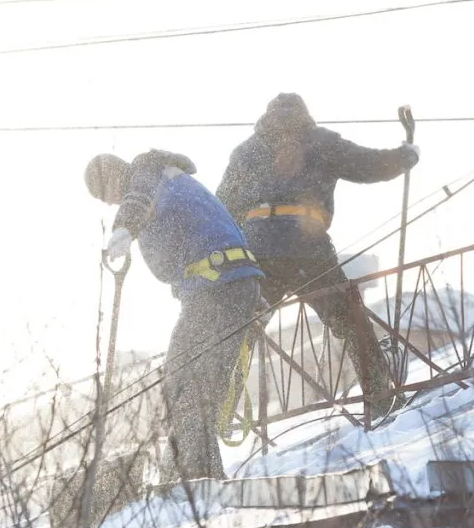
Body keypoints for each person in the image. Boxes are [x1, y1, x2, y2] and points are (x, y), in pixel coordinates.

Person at [215, 92, 420, 419]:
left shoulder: (245, 152)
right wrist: (404, 156)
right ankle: (381, 397)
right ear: (305, 115)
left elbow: (221, 207)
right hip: (305, 246)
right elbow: (367, 165)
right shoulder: (320, 141)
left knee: (244, 330)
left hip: (257, 252)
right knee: (350, 319)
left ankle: (214, 415)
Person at [84, 149, 264, 481]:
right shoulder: (166, 176)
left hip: (218, 287)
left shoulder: (145, 174)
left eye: (104, 193)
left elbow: (138, 200)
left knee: (186, 381)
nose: (109, 202)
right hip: (228, 283)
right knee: (195, 383)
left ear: (112, 175)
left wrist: (123, 229)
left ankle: (192, 478)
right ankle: (195, 471)